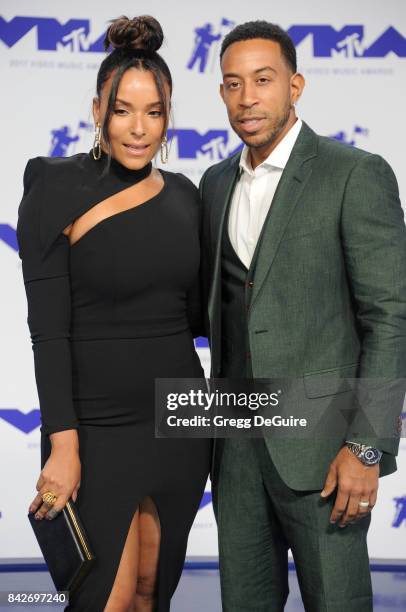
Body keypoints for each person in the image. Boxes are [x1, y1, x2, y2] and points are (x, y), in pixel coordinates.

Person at [199, 20, 406, 612]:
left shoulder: (354, 173)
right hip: (235, 453)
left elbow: (390, 316)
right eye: (233, 84)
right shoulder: (214, 183)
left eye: (263, 80)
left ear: (296, 85)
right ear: (221, 94)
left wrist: (367, 446)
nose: (247, 98)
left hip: (327, 456)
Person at [17, 15, 211, 612]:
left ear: (169, 113)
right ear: (97, 106)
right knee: (106, 599)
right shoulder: (54, 184)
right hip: (94, 433)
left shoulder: (186, 195)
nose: (138, 128)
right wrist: (63, 445)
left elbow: (202, 316)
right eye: (123, 110)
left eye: (154, 112)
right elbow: (48, 332)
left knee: (154, 595)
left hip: (180, 425)